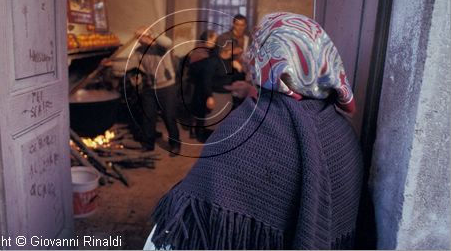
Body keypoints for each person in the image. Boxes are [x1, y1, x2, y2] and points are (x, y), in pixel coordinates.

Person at [144, 12, 362, 249]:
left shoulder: (240, 133)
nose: (249, 56)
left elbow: (186, 230)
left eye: (258, 49)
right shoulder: (343, 133)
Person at [131, 26, 181, 155]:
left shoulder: (161, 47)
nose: (140, 40)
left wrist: (152, 33)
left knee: (169, 117)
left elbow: (168, 42)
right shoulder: (138, 51)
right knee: (148, 117)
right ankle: (148, 145)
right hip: (149, 88)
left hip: (167, 87)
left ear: (149, 35)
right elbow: (133, 65)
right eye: (138, 38)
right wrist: (135, 76)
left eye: (142, 36)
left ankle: (175, 144)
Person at [185, 30, 218, 142]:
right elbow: (194, 68)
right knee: (196, 107)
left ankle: (197, 130)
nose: (214, 42)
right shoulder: (199, 51)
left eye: (215, 40)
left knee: (199, 107)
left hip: (200, 82)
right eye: (212, 40)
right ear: (206, 39)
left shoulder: (209, 50)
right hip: (194, 83)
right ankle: (193, 130)